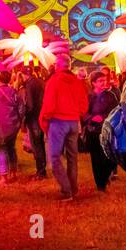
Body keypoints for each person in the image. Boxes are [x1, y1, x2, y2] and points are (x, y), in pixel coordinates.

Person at [39, 54, 89, 201]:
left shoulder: (54, 81)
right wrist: (76, 114)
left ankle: (67, 190)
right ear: (69, 66)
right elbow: (83, 105)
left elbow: (49, 105)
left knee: (54, 157)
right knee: (72, 157)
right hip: (73, 122)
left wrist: (45, 119)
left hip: (58, 122)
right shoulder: (77, 82)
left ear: (58, 65)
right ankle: (73, 189)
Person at [85, 69, 120, 191]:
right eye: (100, 81)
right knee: (96, 158)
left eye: (104, 80)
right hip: (93, 131)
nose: (103, 83)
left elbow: (116, 112)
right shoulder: (90, 97)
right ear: (93, 83)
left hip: (106, 130)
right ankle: (100, 184)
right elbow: (84, 113)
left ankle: (105, 177)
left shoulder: (111, 96)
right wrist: (92, 118)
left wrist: (104, 118)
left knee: (108, 158)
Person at [22, 66, 47, 179]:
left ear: (23, 74)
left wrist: (24, 116)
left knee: (36, 146)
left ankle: (40, 172)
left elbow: (30, 105)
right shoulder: (40, 82)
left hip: (34, 119)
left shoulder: (29, 84)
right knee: (40, 144)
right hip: (41, 116)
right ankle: (42, 170)